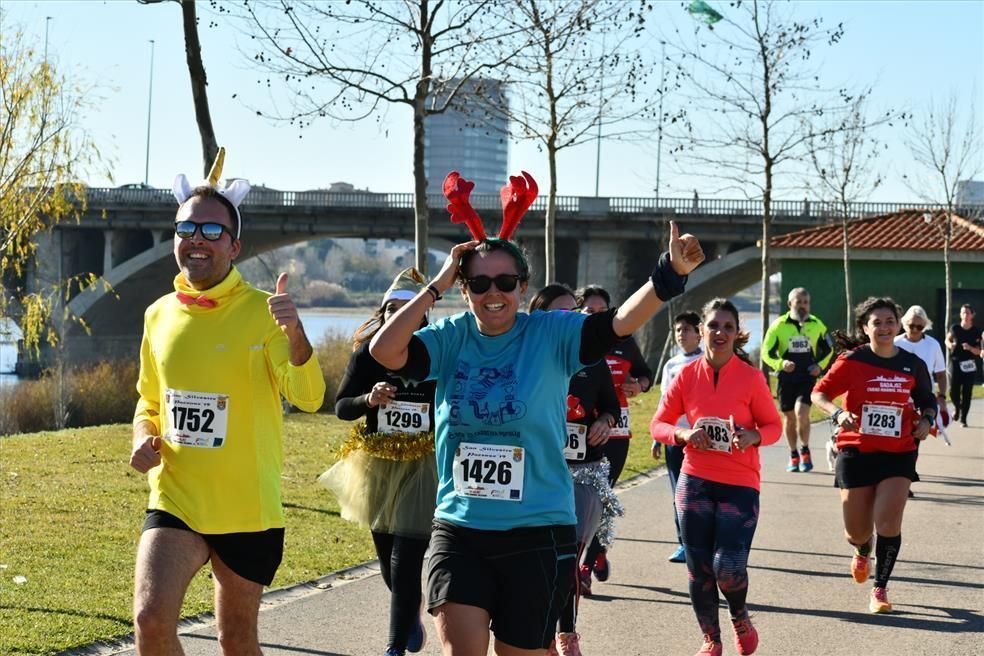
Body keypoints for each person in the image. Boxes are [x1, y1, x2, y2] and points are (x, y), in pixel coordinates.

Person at [370, 169, 705, 656]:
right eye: (479, 282)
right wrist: (436, 285)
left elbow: (618, 323)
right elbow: (385, 351)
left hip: (536, 531)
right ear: (464, 290)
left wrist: (667, 275)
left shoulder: (551, 333)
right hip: (460, 528)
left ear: (523, 287)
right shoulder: (450, 338)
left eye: (506, 281)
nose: (493, 292)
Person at [129, 150, 326, 654]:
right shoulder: (157, 314)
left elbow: (308, 397)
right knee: (150, 621)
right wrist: (141, 436)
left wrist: (296, 332)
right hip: (176, 496)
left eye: (212, 231)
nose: (197, 239)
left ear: (234, 246)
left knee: (235, 637)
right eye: (186, 228)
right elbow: (148, 399)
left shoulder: (265, 312)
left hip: (246, 508)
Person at [650, 299, 782, 656]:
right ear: (703, 329)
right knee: (699, 568)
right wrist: (682, 435)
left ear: (737, 333)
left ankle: (739, 614)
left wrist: (754, 436)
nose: (719, 332)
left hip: (740, 482)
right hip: (694, 479)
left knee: (728, 567)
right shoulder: (686, 376)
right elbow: (658, 423)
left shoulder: (752, 378)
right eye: (713, 325)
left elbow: (773, 426)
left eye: (727, 327)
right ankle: (711, 638)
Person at [320, 268, 438, 656]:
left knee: (406, 561)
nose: (399, 317)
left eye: (409, 311)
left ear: (422, 316)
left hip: (423, 468)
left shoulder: (437, 351)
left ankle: (393, 648)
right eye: (392, 310)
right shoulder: (367, 356)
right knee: (389, 563)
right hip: (377, 464)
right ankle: (410, 610)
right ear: (384, 314)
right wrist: (368, 400)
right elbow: (340, 407)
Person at [812, 297, 936, 615]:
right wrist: (838, 413)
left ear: (897, 325)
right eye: (876, 322)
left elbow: (927, 400)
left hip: (899, 453)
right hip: (856, 450)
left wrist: (926, 420)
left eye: (889, 321)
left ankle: (879, 589)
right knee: (856, 531)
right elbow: (819, 393)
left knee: (888, 522)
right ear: (865, 328)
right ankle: (863, 550)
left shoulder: (912, 364)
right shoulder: (851, 360)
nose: (884, 327)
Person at [528, 284, 623, 655]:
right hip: (534, 476)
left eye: (575, 313)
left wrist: (605, 422)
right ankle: (538, 632)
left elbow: (611, 406)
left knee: (568, 556)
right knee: (540, 562)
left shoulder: (592, 360)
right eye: (561, 313)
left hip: (581, 474)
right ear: (540, 318)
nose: (571, 320)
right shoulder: (526, 359)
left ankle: (565, 635)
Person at [576, 285, 653, 591]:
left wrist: (640, 386)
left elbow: (645, 374)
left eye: (602, 311)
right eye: (589, 310)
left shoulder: (624, 342)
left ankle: (589, 559)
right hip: (579, 432)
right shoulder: (573, 342)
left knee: (605, 496)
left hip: (617, 431)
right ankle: (590, 553)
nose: (596, 316)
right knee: (584, 500)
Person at [761, 287, 834, 473]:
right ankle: (793, 454)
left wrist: (819, 366)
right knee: (790, 418)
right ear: (790, 304)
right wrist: (780, 363)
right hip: (786, 379)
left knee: (802, 413)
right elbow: (765, 353)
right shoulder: (778, 325)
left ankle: (805, 449)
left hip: (807, 377)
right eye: (798, 302)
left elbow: (829, 349)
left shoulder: (817, 324)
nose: (802, 306)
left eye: (806, 302)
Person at [652, 311, 703, 563]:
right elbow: (664, 402)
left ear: (699, 333)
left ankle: (704, 542)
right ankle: (683, 543)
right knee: (678, 493)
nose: (681, 334)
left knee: (702, 493)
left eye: (687, 329)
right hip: (675, 439)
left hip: (702, 440)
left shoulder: (707, 362)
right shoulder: (671, 365)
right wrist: (657, 437)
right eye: (678, 330)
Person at [895, 305, 948, 498]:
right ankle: (894, 479)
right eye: (911, 325)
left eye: (919, 326)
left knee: (913, 442)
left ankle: (904, 480)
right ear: (904, 324)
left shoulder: (932, 345)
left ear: (925, 326)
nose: (915, 329)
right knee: (895, 441)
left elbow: (941, 374)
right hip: (897, 400)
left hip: (921, 401)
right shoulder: (896, 343)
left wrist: (941, 397)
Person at [945, 304, 983, 428]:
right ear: (960, 315)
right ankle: (957, 406)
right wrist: (951, 345)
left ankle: (963, 419)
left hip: (969, 364)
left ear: (972, 315)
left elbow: (979, 352)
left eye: (967, 313)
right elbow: (947, 340)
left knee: (967, 392)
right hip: (955, 362)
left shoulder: (976, 332)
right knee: (953, 391)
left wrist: (970, 348)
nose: (965, 315)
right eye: (963, 312)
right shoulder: (955, 328)